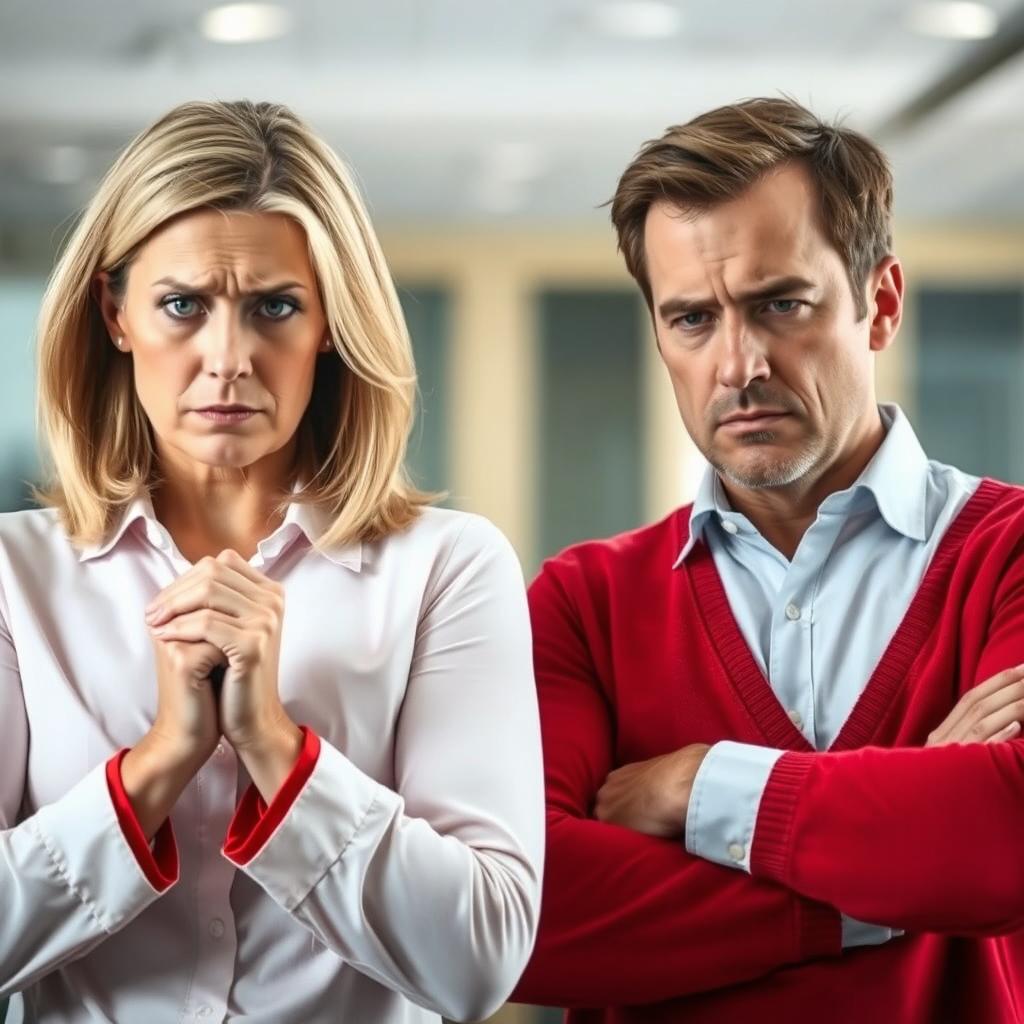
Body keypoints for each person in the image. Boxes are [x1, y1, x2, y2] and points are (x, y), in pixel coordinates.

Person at [0, 99, 543, 1024]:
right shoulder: (16, 576)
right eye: (182, 305)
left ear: (330, 323)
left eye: (275, 307)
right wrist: (159, 767)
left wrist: (278, 752)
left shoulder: (448, 569)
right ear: (115, 312)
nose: (228, 358)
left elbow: (481, 957)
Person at [512, 97, 1024, 1022]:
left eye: (780, 304)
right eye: (693, 319)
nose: (738, 363)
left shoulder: (1009, 557)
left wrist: (692, 783)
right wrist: (893, 858)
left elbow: (1003, 840)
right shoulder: (583, 605)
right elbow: (523, 917)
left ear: (881, 303)